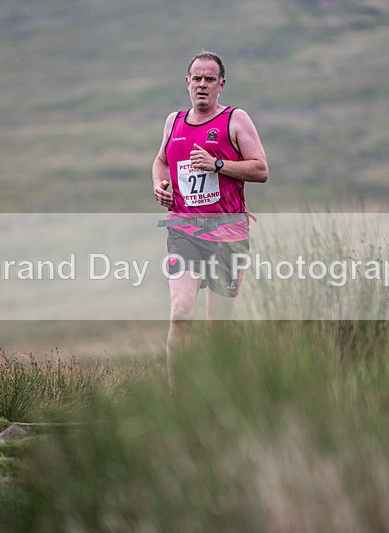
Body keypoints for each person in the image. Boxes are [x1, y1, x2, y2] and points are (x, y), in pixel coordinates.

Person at [152, 51, 268, 381]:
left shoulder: (235, 119)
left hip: (228, 233)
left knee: (218, 325)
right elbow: (161, 161)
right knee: (180, 313)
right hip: (183, 230)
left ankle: (221, 391)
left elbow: (260, 170)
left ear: (221, 85)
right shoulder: (174, 122)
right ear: (187, 82)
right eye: (197, 78)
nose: (202, 84)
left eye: (210, 79)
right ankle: (178, 398)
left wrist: (217, 164)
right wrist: (159, 185)